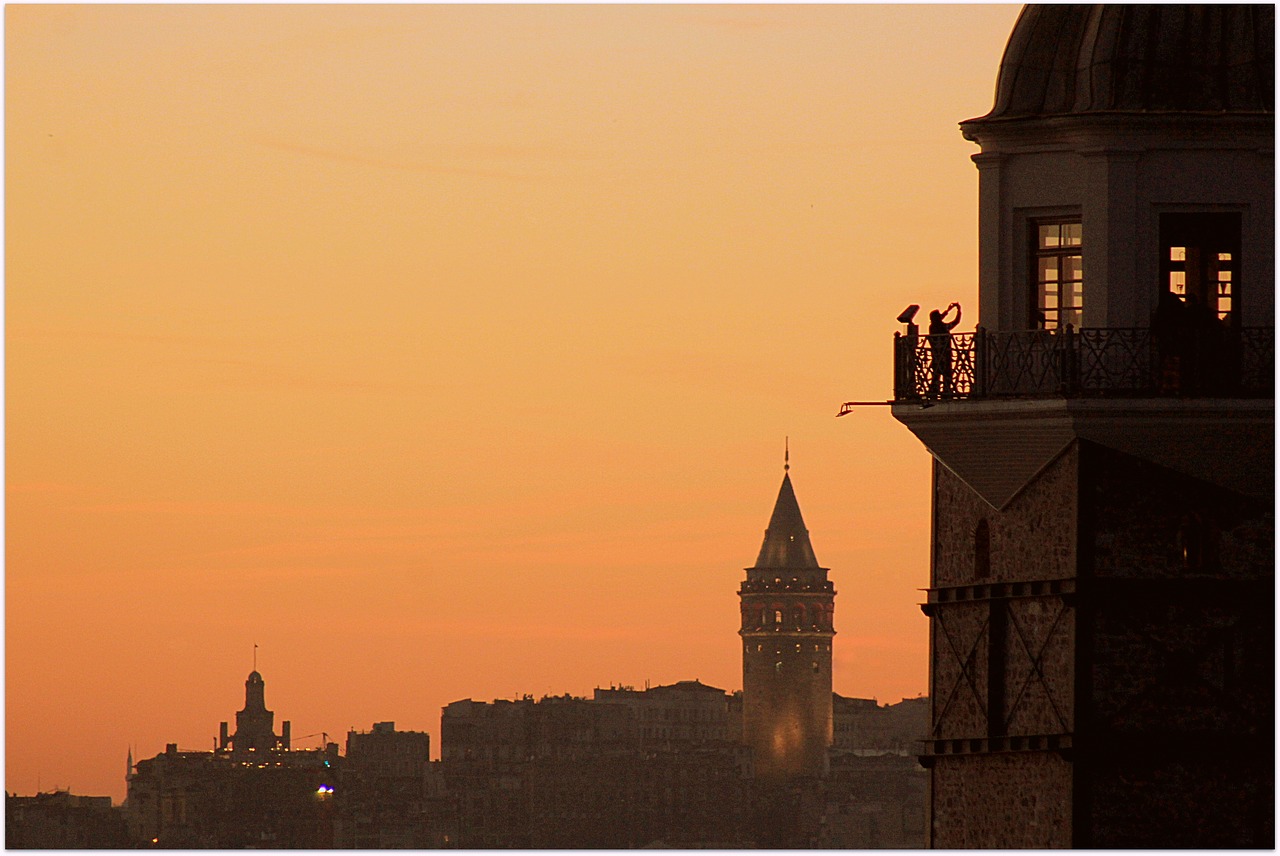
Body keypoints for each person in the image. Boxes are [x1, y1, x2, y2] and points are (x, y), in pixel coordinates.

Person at [927, 302, 962, 399]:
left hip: (936, 354)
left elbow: (940, 318)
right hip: (944, 354)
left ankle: (934, 391)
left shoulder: (933, 326)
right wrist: (958, 311)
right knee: (946, 373)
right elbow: (956, 322)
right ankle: (946, 391)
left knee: (936, 375)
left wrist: (948, 310)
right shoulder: (942, 326)